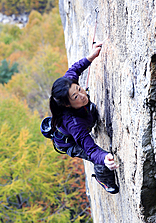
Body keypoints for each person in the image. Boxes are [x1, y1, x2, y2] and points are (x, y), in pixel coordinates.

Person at [49, 42, 119, 194]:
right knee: (100, 160)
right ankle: (104, 179)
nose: (82, 95)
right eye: (76, 96)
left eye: (79, 89)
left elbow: (75, 69)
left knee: (91, 108)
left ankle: (89, 119)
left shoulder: (69, 84)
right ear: (67, 104)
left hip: (82, 120)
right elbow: (91, 149)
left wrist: (91, 56)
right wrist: (104, 157)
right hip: (70, 143)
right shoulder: (73, 124)